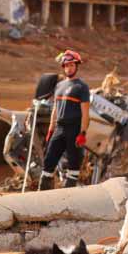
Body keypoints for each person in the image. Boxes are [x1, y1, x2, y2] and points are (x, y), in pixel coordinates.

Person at [39, 50, 90, 190]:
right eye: (66, 65)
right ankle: (43, 194)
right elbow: (55, 109)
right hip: (59, 128)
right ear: (63, 67)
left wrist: (83, 133)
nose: (69, 68)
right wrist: (51, 130)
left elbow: (85, 113)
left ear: (77, 66)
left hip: (74, 129)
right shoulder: (59, 86)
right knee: (49, 161)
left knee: (73, 166)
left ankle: (69, 196)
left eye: (72, 65)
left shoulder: (82, 87)